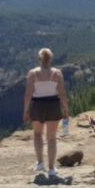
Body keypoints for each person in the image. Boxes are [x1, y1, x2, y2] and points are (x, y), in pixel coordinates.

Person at [23, 48, 69, 177]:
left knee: (37, 134)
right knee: (52, 138)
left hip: (37, 105)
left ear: (39, 59)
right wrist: (66, 109)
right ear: (51, 59)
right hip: (53, 105)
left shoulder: (33, 74)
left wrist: (26, 110)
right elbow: (62, 94)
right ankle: (52, 168)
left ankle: (40, 163)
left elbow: (28, 94)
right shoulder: (57, 73)